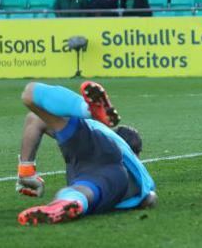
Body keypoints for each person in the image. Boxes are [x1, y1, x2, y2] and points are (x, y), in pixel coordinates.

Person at [14, 81, 156, 225]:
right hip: (111, 171)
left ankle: (86, 110)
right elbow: (149, 199)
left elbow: (35, 119)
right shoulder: (138, 170)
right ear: (136, 154)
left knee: (30, 93)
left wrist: (26, 172)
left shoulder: (99, 130)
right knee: (85, 189)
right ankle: (64, 202)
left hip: (91, 135)